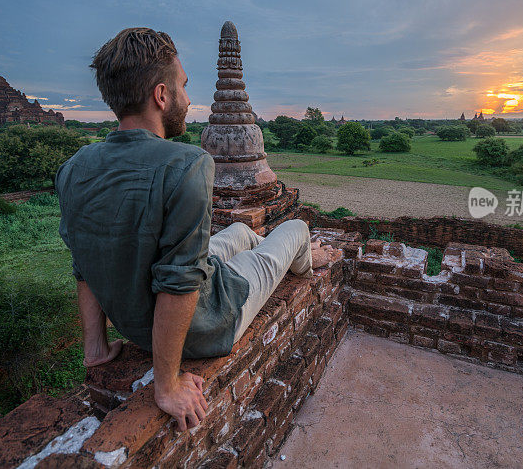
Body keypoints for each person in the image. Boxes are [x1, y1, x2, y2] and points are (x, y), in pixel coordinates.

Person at [55, 27, 335, 432]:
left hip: (136, 325)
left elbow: (84, 263)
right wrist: (166, 385)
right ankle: (306, 259)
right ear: (161, 95)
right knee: (296, 227)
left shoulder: (75, 167)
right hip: (208, 323)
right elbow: (179, 282)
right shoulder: (187, 164)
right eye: (183, 87)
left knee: (239, 233)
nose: (188, 100)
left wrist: (96, 348)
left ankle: (263, 253)